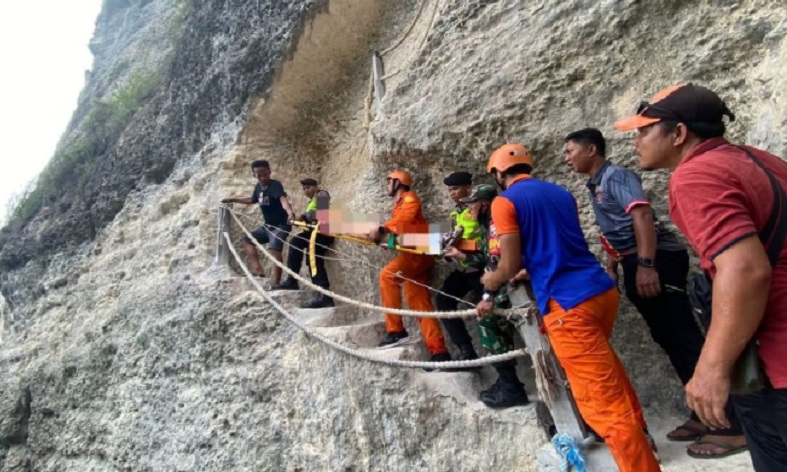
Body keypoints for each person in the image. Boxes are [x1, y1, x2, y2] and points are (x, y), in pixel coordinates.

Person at [615, 83, 787, 472]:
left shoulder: (696, 175)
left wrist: (711, 369)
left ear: (678, 134)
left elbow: (745, 268)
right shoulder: (761, 160)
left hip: (778, 364)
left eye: (644, 130)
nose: (636, 141)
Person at [564, 128, 746, 457]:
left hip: (654, 258)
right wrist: (615, 267)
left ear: (591, 150)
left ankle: (732, 425)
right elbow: (613, 229)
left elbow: (642, 214)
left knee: (683, 337)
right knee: (669, 338)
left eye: (570, 150)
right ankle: (703, 413)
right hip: (636, 259)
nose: (566, 157)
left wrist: (647, 263)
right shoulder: (597, 183)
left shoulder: (615, 176)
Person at [478, 143, 660, 472]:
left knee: (602, 404)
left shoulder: (504, 203)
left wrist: (492, 282)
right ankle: (644, 441)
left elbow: (507, 263)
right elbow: (553, 246)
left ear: (498, 173)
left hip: (567, 306)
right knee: (612, 377)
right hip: (599, 292)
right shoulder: (561, 193)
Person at [458, 184, 529, 407]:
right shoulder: (488, 227)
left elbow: (496, 264)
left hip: (515, 289)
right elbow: (485, 254)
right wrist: (460, 254)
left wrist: (487, 297)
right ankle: (508, 382)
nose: (469, 210)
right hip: (511, 285)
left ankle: (510, 385)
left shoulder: (496, 225)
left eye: (473, 204)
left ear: (485, 204)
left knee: (487, 320)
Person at [368, 170, 451, 362]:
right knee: (419, 303)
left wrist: (382, 228)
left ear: (398, 183)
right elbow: (403, 230)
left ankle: (396, 330)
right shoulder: (398, 205)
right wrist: (387, 242)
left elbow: (404, 220)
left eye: (389, 182)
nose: (387, 186)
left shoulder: (409, 198)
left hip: (418, 253)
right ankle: (439, 351)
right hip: (414, 252)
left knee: (387, 276)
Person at [221, 159, 295, 287]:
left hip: (281, 225)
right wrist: (233, 199)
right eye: (258, 175)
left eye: (264, 174)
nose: (262, 177)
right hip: (268, 226)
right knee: (246, 240)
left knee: (274, 248)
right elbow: (252, 199)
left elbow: (283, 200)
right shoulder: (258, 187)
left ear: (270, 172)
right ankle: (257, 269)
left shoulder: (275, 185)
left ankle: (276, 283)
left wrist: (290, 213)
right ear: (253, 175)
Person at [435, 171, 480, 362]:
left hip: (481, 265)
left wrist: (450, 242)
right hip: (464, 267)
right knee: (443, 301)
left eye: (455, 188)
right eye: (450, 190)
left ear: (468, 187)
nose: (452, 193)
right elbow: (453, 233)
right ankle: (466, 351)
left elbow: (468, 233)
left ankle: (505, 372)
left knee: (491, 316)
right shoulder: (457, 211)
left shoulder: (478, 206)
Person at [271, 178, 335, 309]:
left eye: (308, 187)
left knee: (309, 256)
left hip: (322, 233)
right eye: (304, 188)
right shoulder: (312, 202)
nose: (306, 190)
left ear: (316, 186)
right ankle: (322, 296)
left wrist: (304, 216)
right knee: (308, 257)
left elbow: (320, 214)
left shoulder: (322, 194)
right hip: (314, 234)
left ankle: (321, 295)